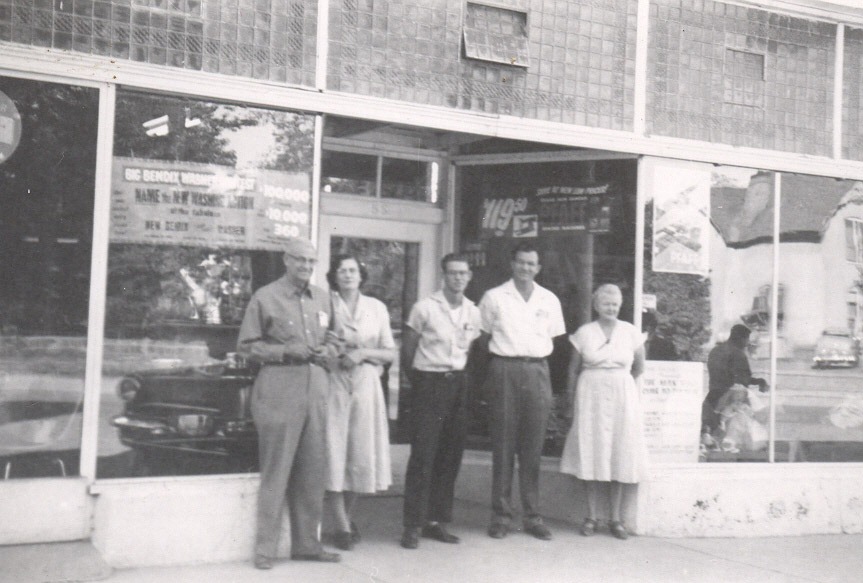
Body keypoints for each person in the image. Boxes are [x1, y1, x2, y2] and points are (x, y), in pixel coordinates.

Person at [237, 237, 341, 569]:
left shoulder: (323, 298)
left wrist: (331, 351)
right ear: (286, 260)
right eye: (300, 261)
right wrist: (284, 351)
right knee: (277, 470)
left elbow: (335, 337)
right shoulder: (265, 297)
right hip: (279, 388)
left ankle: (308, 544)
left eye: (311, 262)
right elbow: (247, 347)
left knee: (313, 471)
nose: (306, 267)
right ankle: (265, 550)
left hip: (316, 389)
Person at [478, 241, 566, 541]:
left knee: (532, 447)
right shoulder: (494, 297)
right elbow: (482, 339)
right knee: (503, 446)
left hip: (537, 370)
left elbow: (557, 342)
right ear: (511, 264)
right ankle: (501, 515)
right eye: (521, 262)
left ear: (538, 267)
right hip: (504, 369)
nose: (525, 268)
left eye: (531, 263)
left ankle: (532, 515)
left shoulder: (549, 300)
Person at [399, 253, 482, 550]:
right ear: (443, 275)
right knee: (423, 455)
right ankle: (412, 524)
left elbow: (470, 351)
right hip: (429, 383)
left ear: (469, 276)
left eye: (463, 273)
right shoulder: (425, 308)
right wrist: (421, 382)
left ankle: (438, 521)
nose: (458, 278)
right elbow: (407, 351)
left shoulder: (473, 312)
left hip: (457, 384)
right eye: (452, 273)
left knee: (450, 456)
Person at [560, 283, 649, 541]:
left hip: (622, 393)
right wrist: (570, 400)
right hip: (591, 394)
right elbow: (572, 370)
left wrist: (617, 381)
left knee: (620, 449)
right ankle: (591, 516)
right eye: (606, 304)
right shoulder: (585, 333)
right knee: (592, 448)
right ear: (596, 305)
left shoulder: (631, 332)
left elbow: (639, 367)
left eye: (615, 304)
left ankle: (616, 519)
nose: (611, 308)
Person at [324, 254, 395, 551]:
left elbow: (390, 353)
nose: (348, 275)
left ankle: (345, 518)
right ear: (334, 275)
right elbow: (317, 345)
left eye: (353, 270)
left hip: (366, 384)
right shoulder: (325, 304)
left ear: (361, 275)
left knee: (360, 453)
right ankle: (341, 526)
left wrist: (363, 353)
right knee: (334, 450)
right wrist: (332, 348)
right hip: (334, 382)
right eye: (342, 270)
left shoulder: (376, 308)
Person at [703, 324, 767, 435]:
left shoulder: (715, 350)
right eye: (746, 339)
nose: (747, 343)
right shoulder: (738, 354)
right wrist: (760, 381)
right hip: (729, 397)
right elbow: (744, 380)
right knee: (759, 415)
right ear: (741, 339)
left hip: (712, 395)